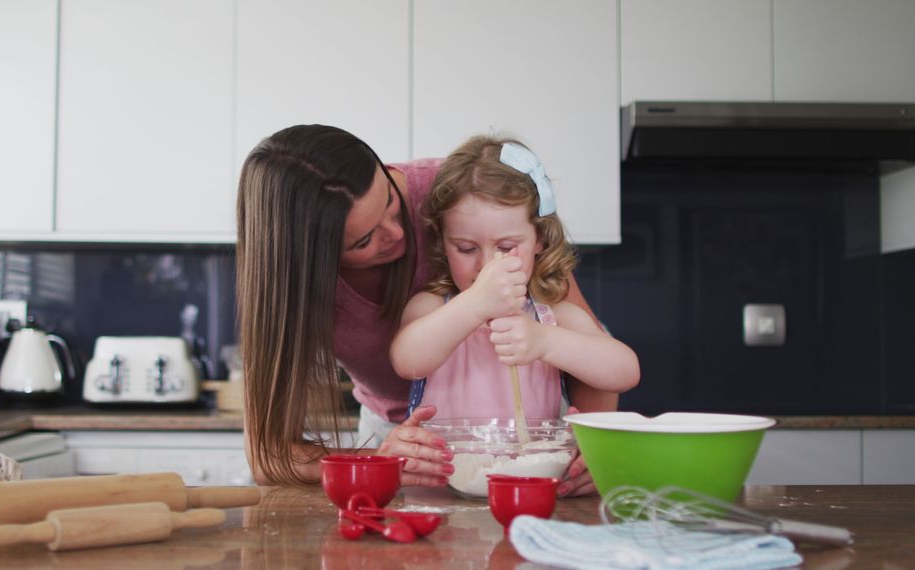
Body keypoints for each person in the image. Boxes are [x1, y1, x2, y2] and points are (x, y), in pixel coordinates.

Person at [236, 124, 623, 495]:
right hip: (408, 442)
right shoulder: (287, 285)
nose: (399, 233)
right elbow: (269, 457)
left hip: (537, 451)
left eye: (389, 200)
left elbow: (594, 353)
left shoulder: (468, 193)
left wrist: (592, 448)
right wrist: (382, 460)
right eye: (365, 240)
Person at [390, 135, 640, 421]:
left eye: (507, 248)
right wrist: (474, 304)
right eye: (466, 248)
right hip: (451, 466)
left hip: (532, 466)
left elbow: (626, 372)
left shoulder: (554, 317)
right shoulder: (432, 307)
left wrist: (545, 341)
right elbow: (406, 361)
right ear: (442, 243)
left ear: (540, 239)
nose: (486, 266)